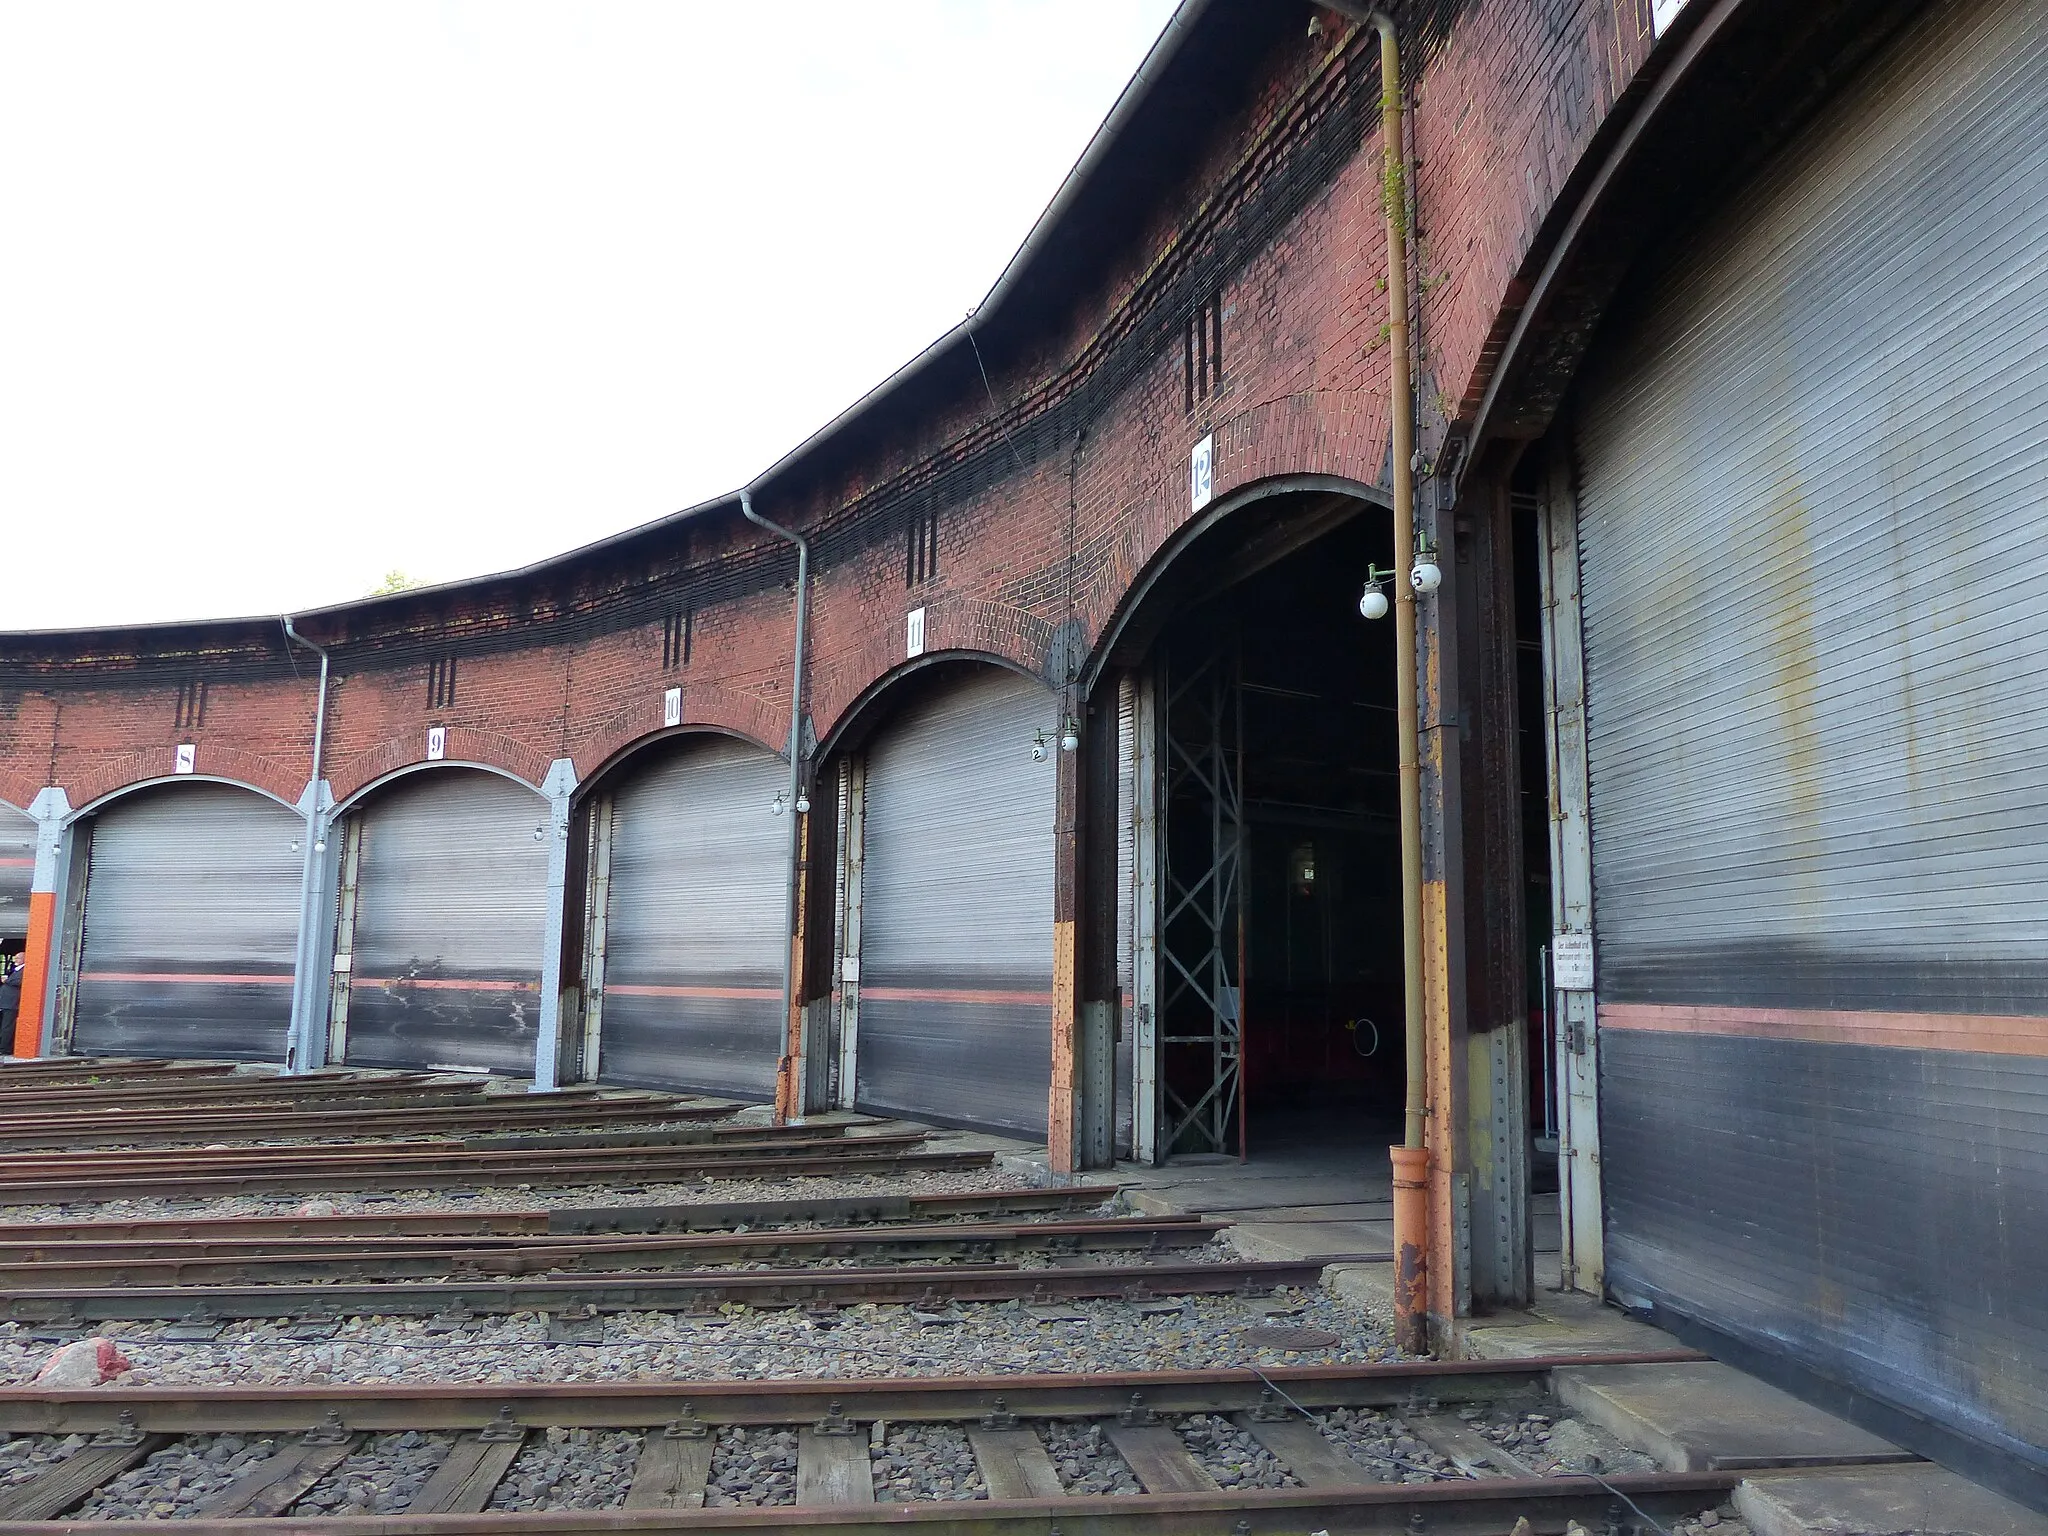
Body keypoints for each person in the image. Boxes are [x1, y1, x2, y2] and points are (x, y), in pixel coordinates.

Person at [0, 952, 22, 1052]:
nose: (15, 960)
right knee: (5, 1025)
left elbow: (20, 982)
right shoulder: (16, 970)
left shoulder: (23, 970)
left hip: (12, 1003)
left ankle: (4, 1048)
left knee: (7, 1026)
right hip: (6, 1002)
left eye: (17, 958)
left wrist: (7, 980)